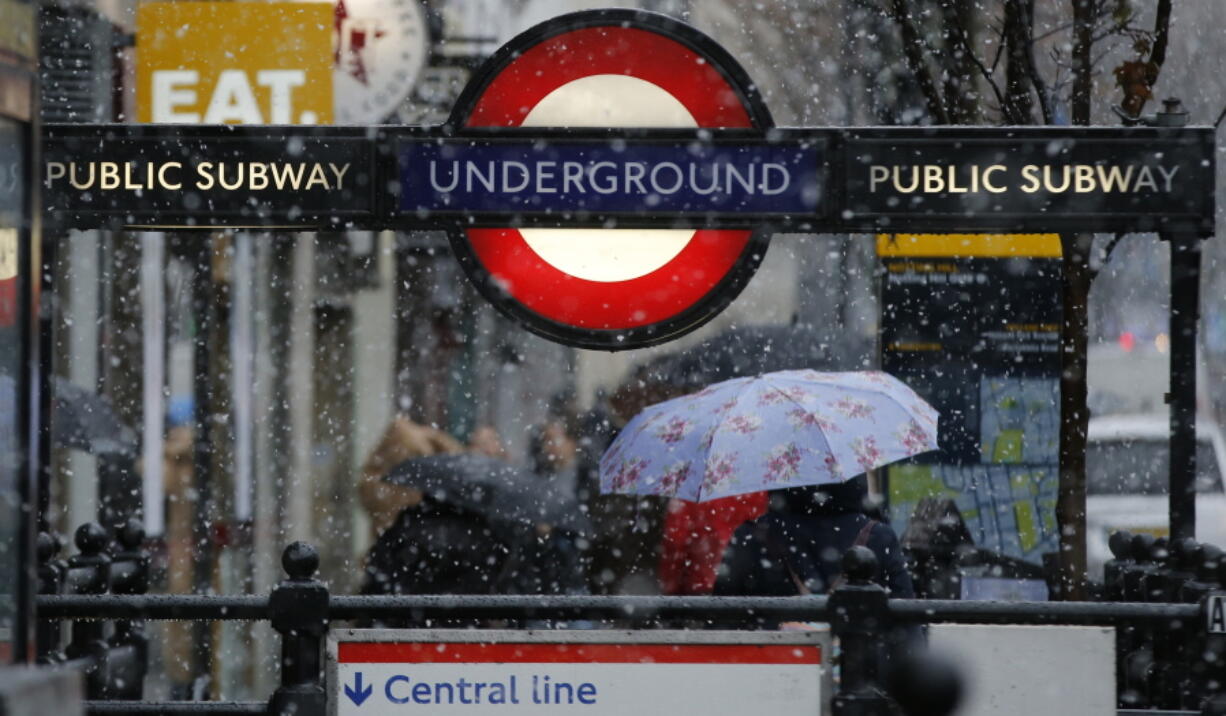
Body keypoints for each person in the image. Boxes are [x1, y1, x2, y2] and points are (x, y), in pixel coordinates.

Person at [713, 475, 914, 597]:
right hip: (859, 663)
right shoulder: (877, 535)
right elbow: (906, 619)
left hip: (774, 661)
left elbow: (723, 619)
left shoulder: (753, 535)